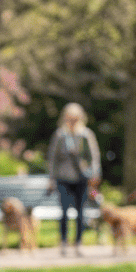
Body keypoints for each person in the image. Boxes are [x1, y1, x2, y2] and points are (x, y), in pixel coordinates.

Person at [46, 103, 101, 255]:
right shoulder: (60, 135)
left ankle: (78, 243)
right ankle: (63, 242)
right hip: (63, 178)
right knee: (64, 211)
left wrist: (94, 176)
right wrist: (51, 178)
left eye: (75, 118)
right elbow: (53, 159)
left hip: (81, 178)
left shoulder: (85, 135)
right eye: (70, 118)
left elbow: (94, 157)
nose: (72, 121)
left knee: (80, 212)